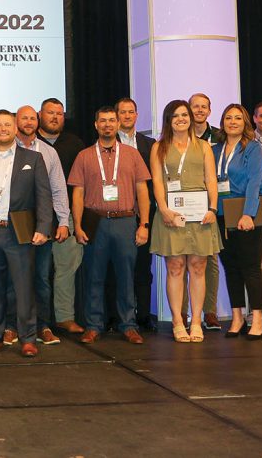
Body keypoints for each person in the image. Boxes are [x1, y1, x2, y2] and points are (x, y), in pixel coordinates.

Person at [0, 110, 55, 358]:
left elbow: (44, 197)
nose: (3, 128)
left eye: (8, 124)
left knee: (24, 288)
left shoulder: (33, 158)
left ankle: (27, 338)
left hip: (20, 233)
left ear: (15, 129)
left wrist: (43, 228)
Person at [69, 107, 151, 345]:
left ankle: (128, 325)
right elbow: (78, 193)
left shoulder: (132, 155)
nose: (107, 124)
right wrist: (77, 224)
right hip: (96, 222)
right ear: (96, 125)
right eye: (103, 121)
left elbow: (142, 191)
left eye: (111, 120)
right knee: (94, 276)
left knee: (127, 276)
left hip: (126, 221)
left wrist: (143, 224)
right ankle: (94, 325)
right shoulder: (84, 156)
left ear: (117, 124)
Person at [149, 99, 220, 344]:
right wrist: (164, 210)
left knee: (198, 268)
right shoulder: (159, 147)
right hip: (172, 215)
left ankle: (197, 321)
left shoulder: (204, 147)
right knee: (175, 268)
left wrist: (213, 208)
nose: (181, 119)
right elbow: (157, 181)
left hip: (201, 215)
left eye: (185, 115)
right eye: (176, 115)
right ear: (168, 120)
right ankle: (178, 322)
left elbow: (211, 179)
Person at [14, 105, 70, 346]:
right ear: (16, 121)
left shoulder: (48, 153)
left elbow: (58, 189)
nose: (28, 122)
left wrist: (64, 221)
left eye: (31, 118)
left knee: (42, 278)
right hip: (11, 224)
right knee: (11, 279)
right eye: (23, 118)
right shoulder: (5, 150)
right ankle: (10, 326)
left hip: (42, 223)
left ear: (37, 121)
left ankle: (43, 326)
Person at [213, 104, 262, 339]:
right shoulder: (215, 150)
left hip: (247, 213)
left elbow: (255, 182)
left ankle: (257, 318)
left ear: (245, 122)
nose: (232, 122)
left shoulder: (253, 148)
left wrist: (248, 214)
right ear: (222, 122)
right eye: (228, 118)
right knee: (231, 268)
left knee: (251, 268)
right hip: (222, 214)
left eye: (237, 118)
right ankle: (237, 317)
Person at [35, 99, 87, 335]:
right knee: (38, 273)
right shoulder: (29, 142)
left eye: (59, 113)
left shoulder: (75, 144)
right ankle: (37, 321)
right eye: (50, 113)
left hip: (67, 215)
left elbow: (81, 184)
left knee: (67, 268)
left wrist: (73, 219)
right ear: (39, 115)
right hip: (36, 218)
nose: (55, 117)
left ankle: (65, 317)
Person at [115, 97, 157, 331]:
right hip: (116, 212)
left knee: (142, 267)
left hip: (143, 212)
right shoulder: (107, 143)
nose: (127, 116)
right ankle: (118, 316)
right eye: (123, 112)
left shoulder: (149, 144)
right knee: (118, 268)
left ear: (137, 115)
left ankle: (142, 315)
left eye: (131, 112)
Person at [186, 92, 222, 330]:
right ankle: (182, 312)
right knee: (180, 259)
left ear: (209, 111)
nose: (199, 111)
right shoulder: (179, 134)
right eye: (194, 107)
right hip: (185, 205)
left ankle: (209, 312)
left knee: (210, 260)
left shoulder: (220, 135)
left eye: (203, 107)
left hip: (212, 204)